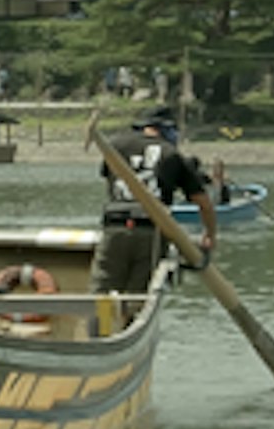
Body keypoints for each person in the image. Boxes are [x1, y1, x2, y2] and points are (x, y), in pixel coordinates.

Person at [91, 111, 219, 295]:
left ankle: (97, 322)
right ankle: (130, 320)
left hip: (115, 225)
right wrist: (210, 234)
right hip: (152, 230)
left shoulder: (116, 146)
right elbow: (204, 203)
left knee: (101, 291)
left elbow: (109, 181)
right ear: (165, 129)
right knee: (138, 297)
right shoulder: (171, 154)